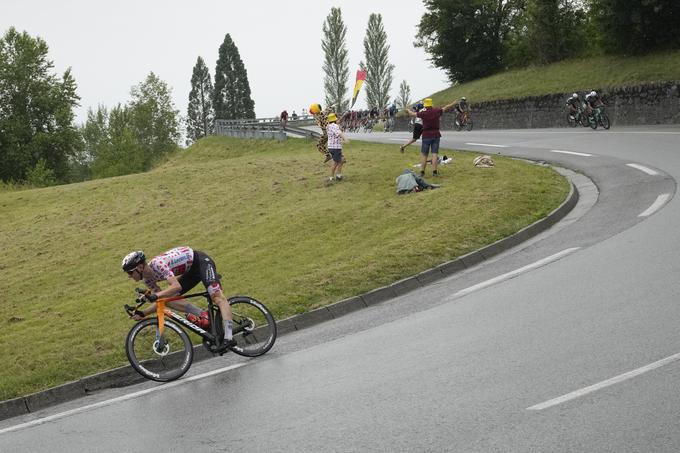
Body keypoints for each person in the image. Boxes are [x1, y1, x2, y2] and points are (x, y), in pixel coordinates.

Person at [121, 247, 236, 349]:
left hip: (201, 262)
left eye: (130, 273)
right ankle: (203, 315)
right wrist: (143, 313)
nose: (129, 276)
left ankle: (229, 337)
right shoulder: (148, 280)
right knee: (167, 299)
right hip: (190, 271)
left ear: (140, 267)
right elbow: (160, 301)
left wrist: (156, 295)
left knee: (217, 297)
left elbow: (176, 286)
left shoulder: (157, 264)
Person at [406, 98, 456, 177]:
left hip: (426, 135)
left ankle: (422, 172)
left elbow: (413, 114)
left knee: (424, 154)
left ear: (425, 105)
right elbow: (445, 107)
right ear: (431, 104)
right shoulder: (437, 111)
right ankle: (434, 172)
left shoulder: (423, 113)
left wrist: (408, 110)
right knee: (434, 154)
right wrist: (452, 104)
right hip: (436, 135)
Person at [326, 112, 348, 181]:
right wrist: (345, 139)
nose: (338, 119)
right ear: (334, 119)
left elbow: (337, 131)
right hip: (335, 148)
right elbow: (339, 133)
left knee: (341, 160)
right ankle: (332, 177)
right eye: (336, 118)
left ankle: (338, 176)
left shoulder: (329, 126)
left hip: (332, 147)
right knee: (336, 163)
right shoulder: (334, 126)